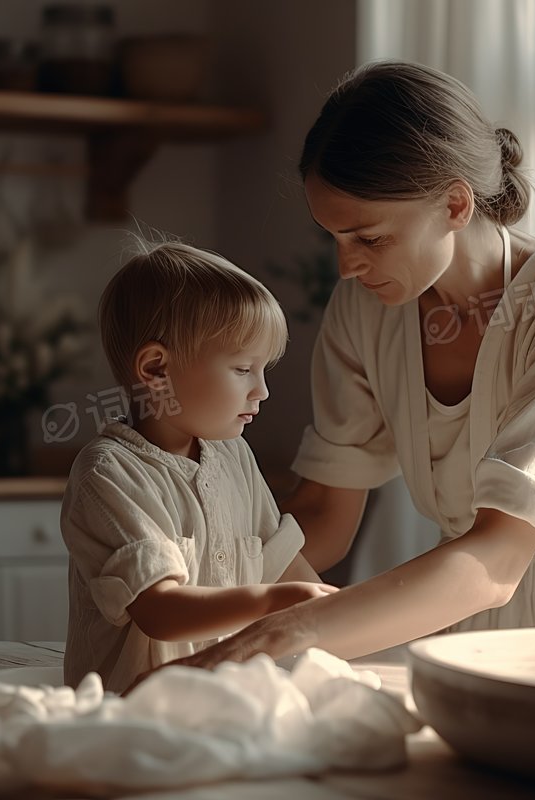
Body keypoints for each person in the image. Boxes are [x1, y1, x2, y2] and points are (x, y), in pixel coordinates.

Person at [161, 60, 535, 673]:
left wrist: (281, 635)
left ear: (455, 203)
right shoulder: (366, 310)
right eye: (336, 238)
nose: (347, 266)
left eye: (369, 239)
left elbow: (499, 558)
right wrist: (181, 592)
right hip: (462, 624)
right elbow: (324, 512)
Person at [61, 240, 336, 692]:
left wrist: (340, 612)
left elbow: (284, 566)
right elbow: (161, 610)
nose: (262, 391)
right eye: (243, 369)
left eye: (263, 369)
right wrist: (275, 601)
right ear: (156, 369)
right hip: (132, 718)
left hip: (227, 702)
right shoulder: (107, 475)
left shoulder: (233, 456)